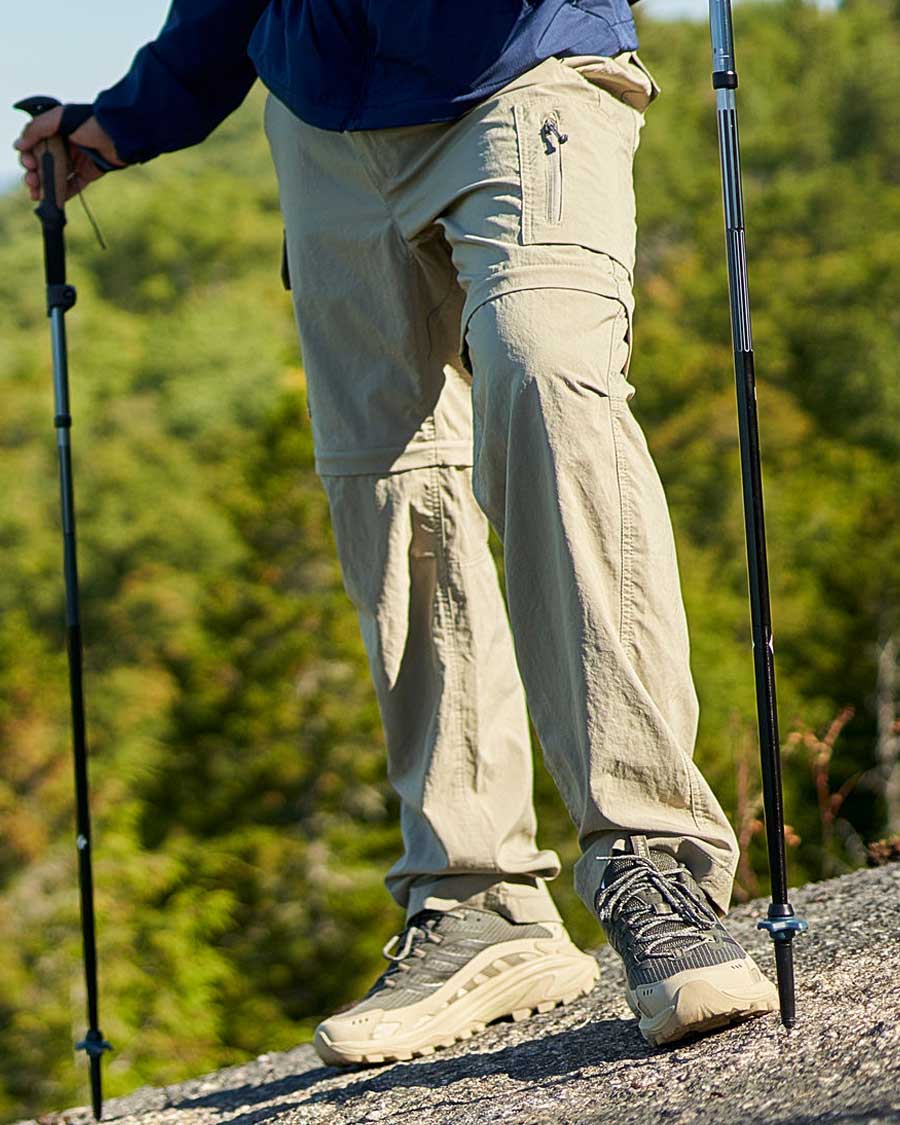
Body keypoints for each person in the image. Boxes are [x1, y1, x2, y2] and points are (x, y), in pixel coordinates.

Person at [16, 0, 777, 1065]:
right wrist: (123, 122)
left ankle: (654, 860)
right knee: (388, 481)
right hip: (326, 125)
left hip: (522, 70)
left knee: (547, 378)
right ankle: (476, 897)